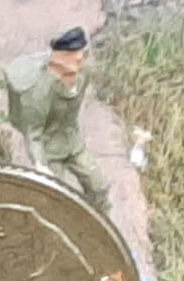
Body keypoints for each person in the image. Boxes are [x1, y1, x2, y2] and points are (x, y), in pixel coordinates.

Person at [6, 27, 110, 213]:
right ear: (60, 58)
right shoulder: (39, 93)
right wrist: (40, 164)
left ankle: (99, 223)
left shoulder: (82, 75)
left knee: (98, 187)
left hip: (73, 144)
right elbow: (33, 133)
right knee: (55, 199)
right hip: (50, 151)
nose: (80, 60)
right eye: (74, 57)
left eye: (80, 56)